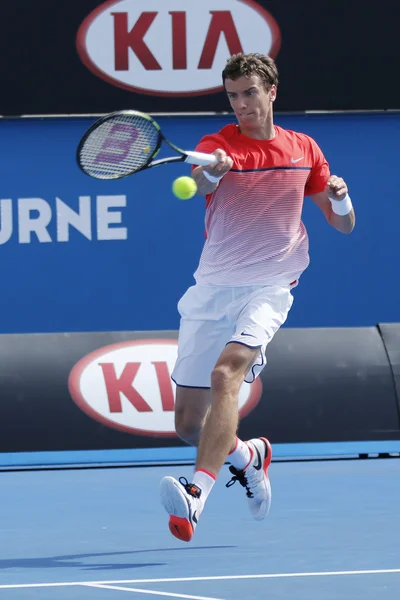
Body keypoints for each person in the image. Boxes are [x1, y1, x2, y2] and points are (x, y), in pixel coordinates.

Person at [160, 53, 355, 542]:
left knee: (227, 373)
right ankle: (249, 457)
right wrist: (215, 172)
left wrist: (339, 197)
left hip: (270, 287)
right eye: (232, 96)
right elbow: (202, 179)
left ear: (271, 91)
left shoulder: (304, 148)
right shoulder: (218, 145)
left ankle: (197, 493)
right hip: (212, 289)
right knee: (189, 423)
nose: (242, 104)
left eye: (250, 93)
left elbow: (344, 225)